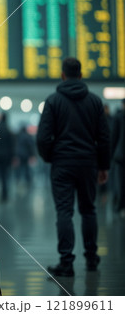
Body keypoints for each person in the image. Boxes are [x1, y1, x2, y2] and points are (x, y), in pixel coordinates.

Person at [37, 57, 110, 277]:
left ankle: (66, 262)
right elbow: (104, 138)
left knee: (64, 212)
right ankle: (91, 258)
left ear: (62, 75)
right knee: (89, 210)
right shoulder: (95, 102)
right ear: (80, 75)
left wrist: (51, 156)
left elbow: (42, 138)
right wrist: (103, 166)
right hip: (88, 163)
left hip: (62, 164)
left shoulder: (53, 101)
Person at [110, 99, 125, 216]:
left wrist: (110, 155)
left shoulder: (119, 117)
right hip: (120, 155)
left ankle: (120, 205)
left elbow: (113, 137)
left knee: (120, 182)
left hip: (120, 156)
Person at [15, 125, 35, 190]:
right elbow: (31, 146)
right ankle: (28, 181)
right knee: (26, 168)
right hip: (26, 155)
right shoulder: (28, 136)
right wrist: (32, 155)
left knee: (19, 168)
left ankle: (18, 180)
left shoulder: (18, 136)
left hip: (19, 155)